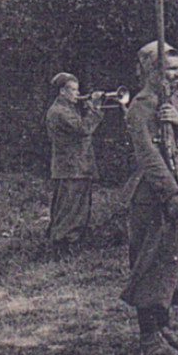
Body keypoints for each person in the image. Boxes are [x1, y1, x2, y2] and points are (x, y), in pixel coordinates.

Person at [121, 42, 178, 355]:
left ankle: (164, 328)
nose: (176, 76)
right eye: (168, 70)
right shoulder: (142, 107)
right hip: (156, 196)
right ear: (151, 71)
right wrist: (170, 192)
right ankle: (149, 337)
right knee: (153, 263)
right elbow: (147, 155)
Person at [43, 71, 107, 259]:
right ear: (62, 91)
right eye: (73, 90)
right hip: (71, 167)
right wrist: (95, 108)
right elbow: (84, 128)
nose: (77, 94)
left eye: (78, 90)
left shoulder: (67, 109)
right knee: (70, 209)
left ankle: (67, 243)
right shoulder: (59, 111)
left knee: (75, 207)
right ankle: (63, 247)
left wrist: (89, 108)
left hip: (76, 166)